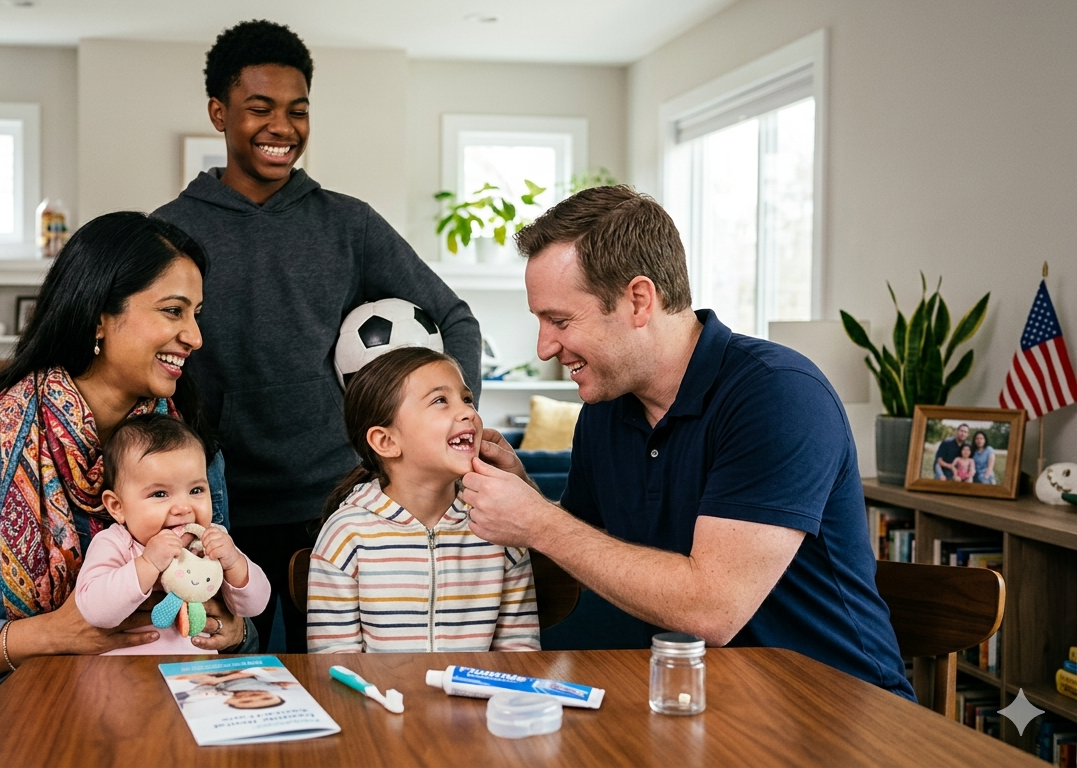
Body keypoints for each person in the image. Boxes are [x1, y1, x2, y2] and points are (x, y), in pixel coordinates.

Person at [459, 186, 914, 698]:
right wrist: (520, 497)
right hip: (696, 706)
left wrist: (539, 522)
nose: (545, 347)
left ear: (638, 300)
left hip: (836, 713)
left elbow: (712, 608)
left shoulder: (779, 394)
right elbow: (585, 555)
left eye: (560, 321)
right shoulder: (605, 414)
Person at [0, 212, 255, 766]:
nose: (195, 337)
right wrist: (53, 634)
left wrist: (232, 628)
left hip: (153, 728)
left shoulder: (196, 454)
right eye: (173, 311)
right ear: (99, 317)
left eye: (196, 315)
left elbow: (223, 601)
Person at [153, 20, 481, 652]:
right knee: (224, 680)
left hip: (336, 502)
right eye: (260, 109)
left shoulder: (349, 224)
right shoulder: (170, 230)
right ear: (219, 113)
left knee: (333, 686)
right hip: (214, 506)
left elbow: (454, 317)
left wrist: (451, 415)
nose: (283, 127)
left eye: (297, 110)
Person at [306, 347, 540, 653]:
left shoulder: (500, 524)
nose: (469, 411)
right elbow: (332, 661)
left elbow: (519, 651)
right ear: (386, 442)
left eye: (467, 399)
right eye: (440, 400)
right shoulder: (346, 534)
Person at [74, 414, 271, 653]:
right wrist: (147, 564)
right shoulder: (115, 543)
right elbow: (95, 611)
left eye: (196, 490)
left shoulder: (211, 541)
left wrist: (234, 563)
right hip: (126, 680)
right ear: (118, 507)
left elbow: (256, 605)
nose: (183, 508)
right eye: (159, 494)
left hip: (196, 679)